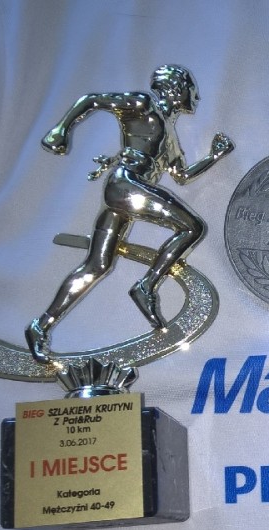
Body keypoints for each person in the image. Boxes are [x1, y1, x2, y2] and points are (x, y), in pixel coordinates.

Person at [25, 64, 233, 362]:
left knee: (97, 266)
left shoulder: (171, 138)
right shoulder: (144, 104)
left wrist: (214, 156)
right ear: (176, 89)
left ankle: (40, 326)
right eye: (192, 89)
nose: (196, 97)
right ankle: (147, 286)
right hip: (125, 186)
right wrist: (61, 131)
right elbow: (91, 100)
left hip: (124, 195)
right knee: (192, 227)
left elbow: (182, 175)